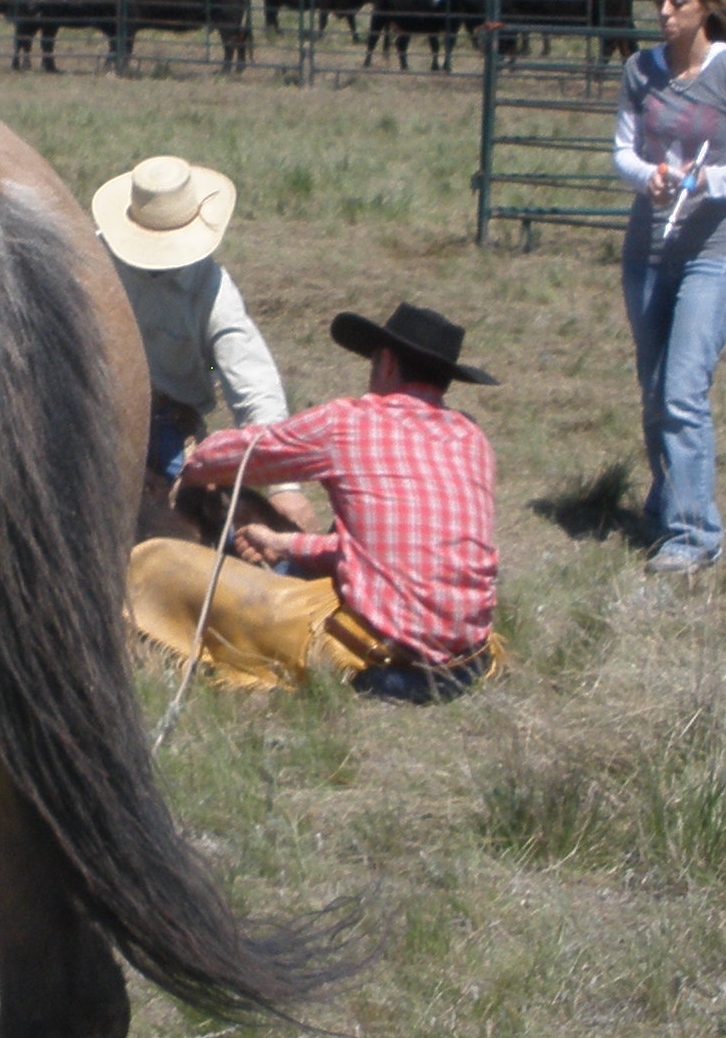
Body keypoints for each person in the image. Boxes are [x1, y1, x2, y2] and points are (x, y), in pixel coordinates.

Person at [133, 302, 499, 702]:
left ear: (388, 362)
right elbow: (389, 551)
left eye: (374, 362)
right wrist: (286, 544)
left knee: (158, 562)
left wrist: (195, 461)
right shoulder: (472, 439)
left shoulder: (349, 422)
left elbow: (234, 455)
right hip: (466, 664)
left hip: (379, 663)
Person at [614, 0, 726, 571]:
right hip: (648, 250)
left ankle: (695, 535)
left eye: (678, 2)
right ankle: (668, 500)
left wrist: (712, 180)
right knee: (655, 389)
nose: (665, 13)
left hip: (713, 251)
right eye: (659, 1)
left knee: (683, 389)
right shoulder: (640, 70)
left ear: (706, 6)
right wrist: (649, 177)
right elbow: (623, 150)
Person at [90, 153, 319, 537]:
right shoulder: (89, 264)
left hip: (170, 427)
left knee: (238, 537)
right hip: (96, 421)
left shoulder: (210, 287)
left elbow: (253, 383)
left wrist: (284, 486)